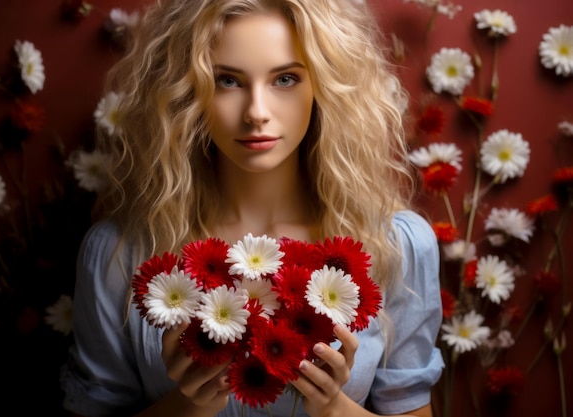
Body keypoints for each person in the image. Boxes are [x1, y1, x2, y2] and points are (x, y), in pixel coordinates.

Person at [61, 0, 444, 416]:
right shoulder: (120, 255)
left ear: (323, 85)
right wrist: (187, 407)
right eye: (227, 80)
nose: (257, 113)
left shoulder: (397, 246)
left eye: (285, 79)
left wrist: (334, 407)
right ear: (187, 91)